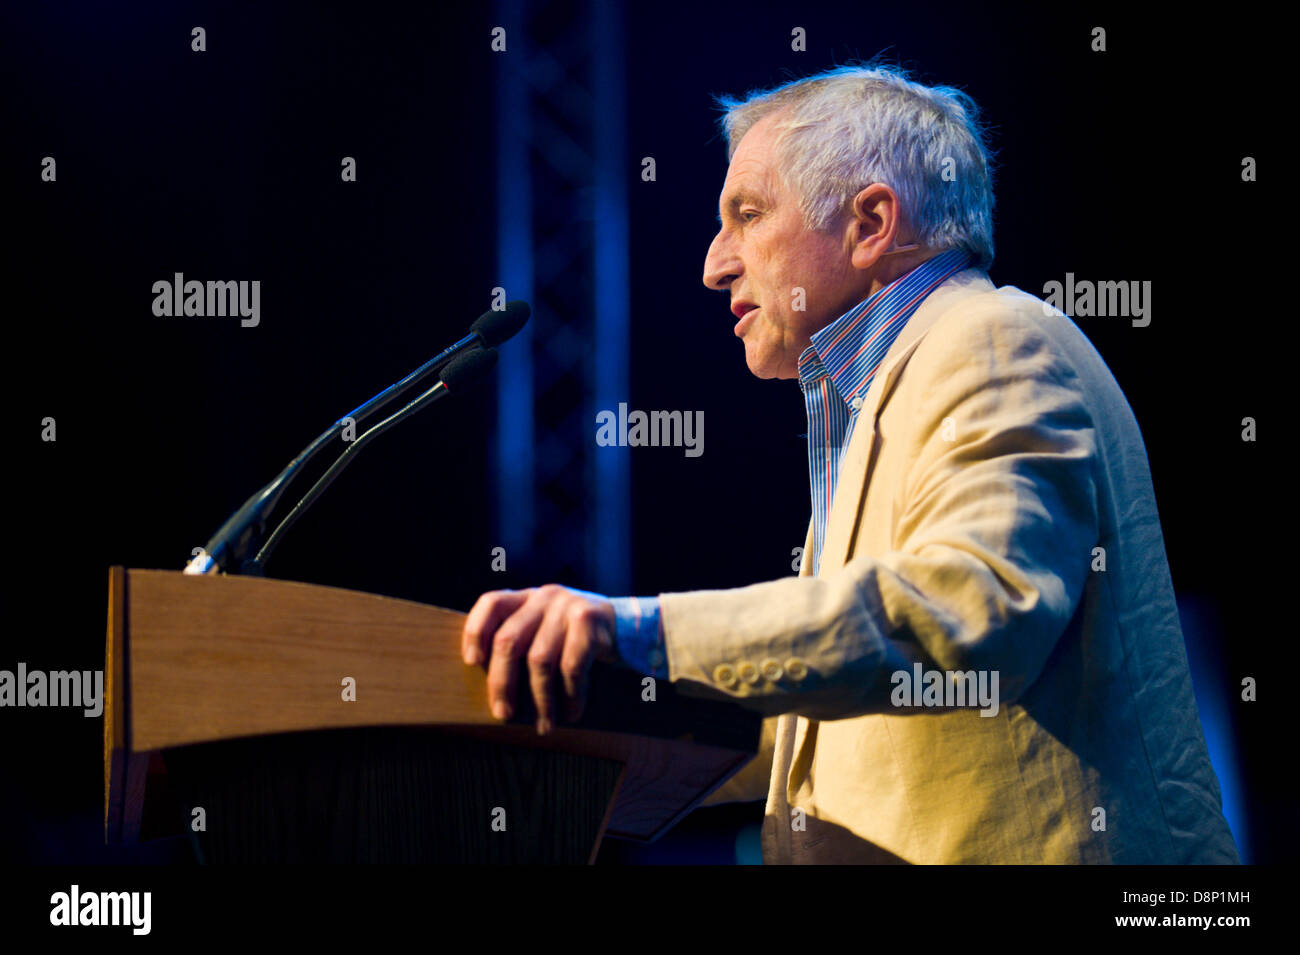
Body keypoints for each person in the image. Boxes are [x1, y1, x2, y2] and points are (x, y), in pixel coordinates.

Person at [460, 63, 1240, 864]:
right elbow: (840, 719)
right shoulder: (881, 399)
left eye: (748, 215)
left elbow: (970, 615)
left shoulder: (993, 340)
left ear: (871, 222)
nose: (713, 264)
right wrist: (583, 748)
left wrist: (638, 630)